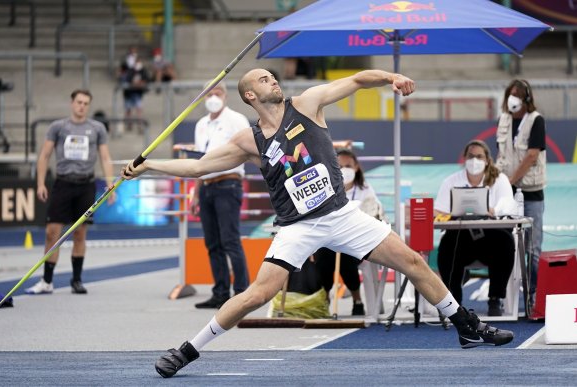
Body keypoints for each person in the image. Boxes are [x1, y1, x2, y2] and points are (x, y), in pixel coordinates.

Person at [122, 69, 514, 378]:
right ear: (250, 96)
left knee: (412, 261)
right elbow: (199, 166)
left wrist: (390, 78)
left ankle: (466, 326)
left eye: (271, 76)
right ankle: (187, 350)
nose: (271, 80)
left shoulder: (307, 104)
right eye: (262, 79)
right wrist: (148, 166)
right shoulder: (250, 140)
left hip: (342, 215)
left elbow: (359, 81)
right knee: (258, 295)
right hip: (297, 227)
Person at [26, 89, 115, 295]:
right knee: (52, 233)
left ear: (89, 106)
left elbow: (105, 157)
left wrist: (110, 185)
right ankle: (47, 281)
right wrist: (40, 183)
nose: (82, 106)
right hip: (63, 184)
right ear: (71, 103)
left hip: (86, 185)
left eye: (86, 103)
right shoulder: (58, 127)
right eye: (79, 102)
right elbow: (44, 156)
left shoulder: (97, 128)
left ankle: (76, 279)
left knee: (80, 233)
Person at [434, 140, 515, 316]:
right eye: (471, 156)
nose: (474, 160)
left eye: (479, 156)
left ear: (487, 159)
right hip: (462, 240)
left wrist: (494, 210)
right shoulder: (451, 181)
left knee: (506, 242)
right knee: (447, 245)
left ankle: (495, 298)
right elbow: (438, 210)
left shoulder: (499, 180)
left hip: (492, 239)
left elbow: (508, 203)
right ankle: (453, 301)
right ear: (464, 158)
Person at [190, 81, 251, 309]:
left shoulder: (236, 120)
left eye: (217, 92)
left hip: (228, 183)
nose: (213, 97)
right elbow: (200, 161)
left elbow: (247, 150)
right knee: (212, 243)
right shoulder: (201, 125)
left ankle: (241, 293)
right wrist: (196, 194)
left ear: (225, 95)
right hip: (206, 185)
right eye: (209, 93)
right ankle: (220, 291)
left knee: (230, 241)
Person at [314, 148, 384, 316]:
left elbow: (373, 214)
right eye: (340, 166)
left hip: (356, 240)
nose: (345, 169)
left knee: (346, 259)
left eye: (348, 165)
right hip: (329, 240)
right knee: (323, 258)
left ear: (356, 167)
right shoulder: (325, 188)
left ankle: (357, 299)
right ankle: (325, 299)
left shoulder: (365, 190)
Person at [495, 79, 546, 305]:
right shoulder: (503, 120)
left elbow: (532, 155)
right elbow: (500, 155)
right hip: (506, 193)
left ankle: (533, 295)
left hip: (531, 191)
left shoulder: (536, 120)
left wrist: (511, 181)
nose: (512, 99)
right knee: (502, 242)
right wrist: (497, 183)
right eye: (509, 94)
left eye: (516, 94)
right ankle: (499, 295)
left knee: (533, 247)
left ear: (526, 98)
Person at [119, 58, 150, 132]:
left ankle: (140, 125)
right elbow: (128, 80)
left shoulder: (143, 71)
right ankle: (129, 125)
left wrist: (141, 83)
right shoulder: (130, 71)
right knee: (128, 110)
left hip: (137, 94)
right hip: (129, 94)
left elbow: (147, 80)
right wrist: (134, 83)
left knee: (139, 109)